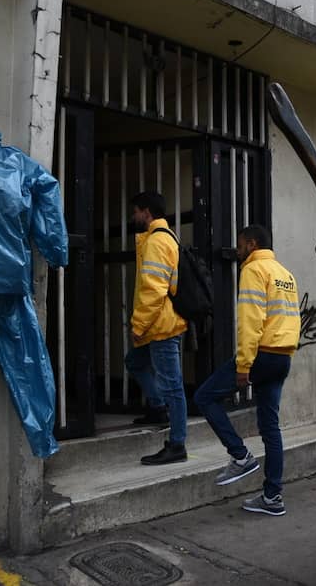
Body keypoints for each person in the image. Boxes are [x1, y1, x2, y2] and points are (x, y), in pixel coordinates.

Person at [194, 225, 300, 516]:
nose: (237, 251)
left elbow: (250, 321)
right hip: (282, 357)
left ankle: (240, 456)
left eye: (240, 245)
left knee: (204, 397)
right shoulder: (284, 273)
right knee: (270, 429)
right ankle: (272, 498)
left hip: (261, 355)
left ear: (252, 244)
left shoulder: (254, 270)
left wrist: (243, 365)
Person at [124, 191, 189, 465]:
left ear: (147, 212)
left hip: (160, 325)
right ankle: (156, 405)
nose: (133, 217)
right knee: (135, 362)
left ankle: (177, 444)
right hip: (159, 322)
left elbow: (153, 289)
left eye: (136, 211)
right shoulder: (166, 237)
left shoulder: (157, 241)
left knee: (173, 386)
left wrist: (138, 325)